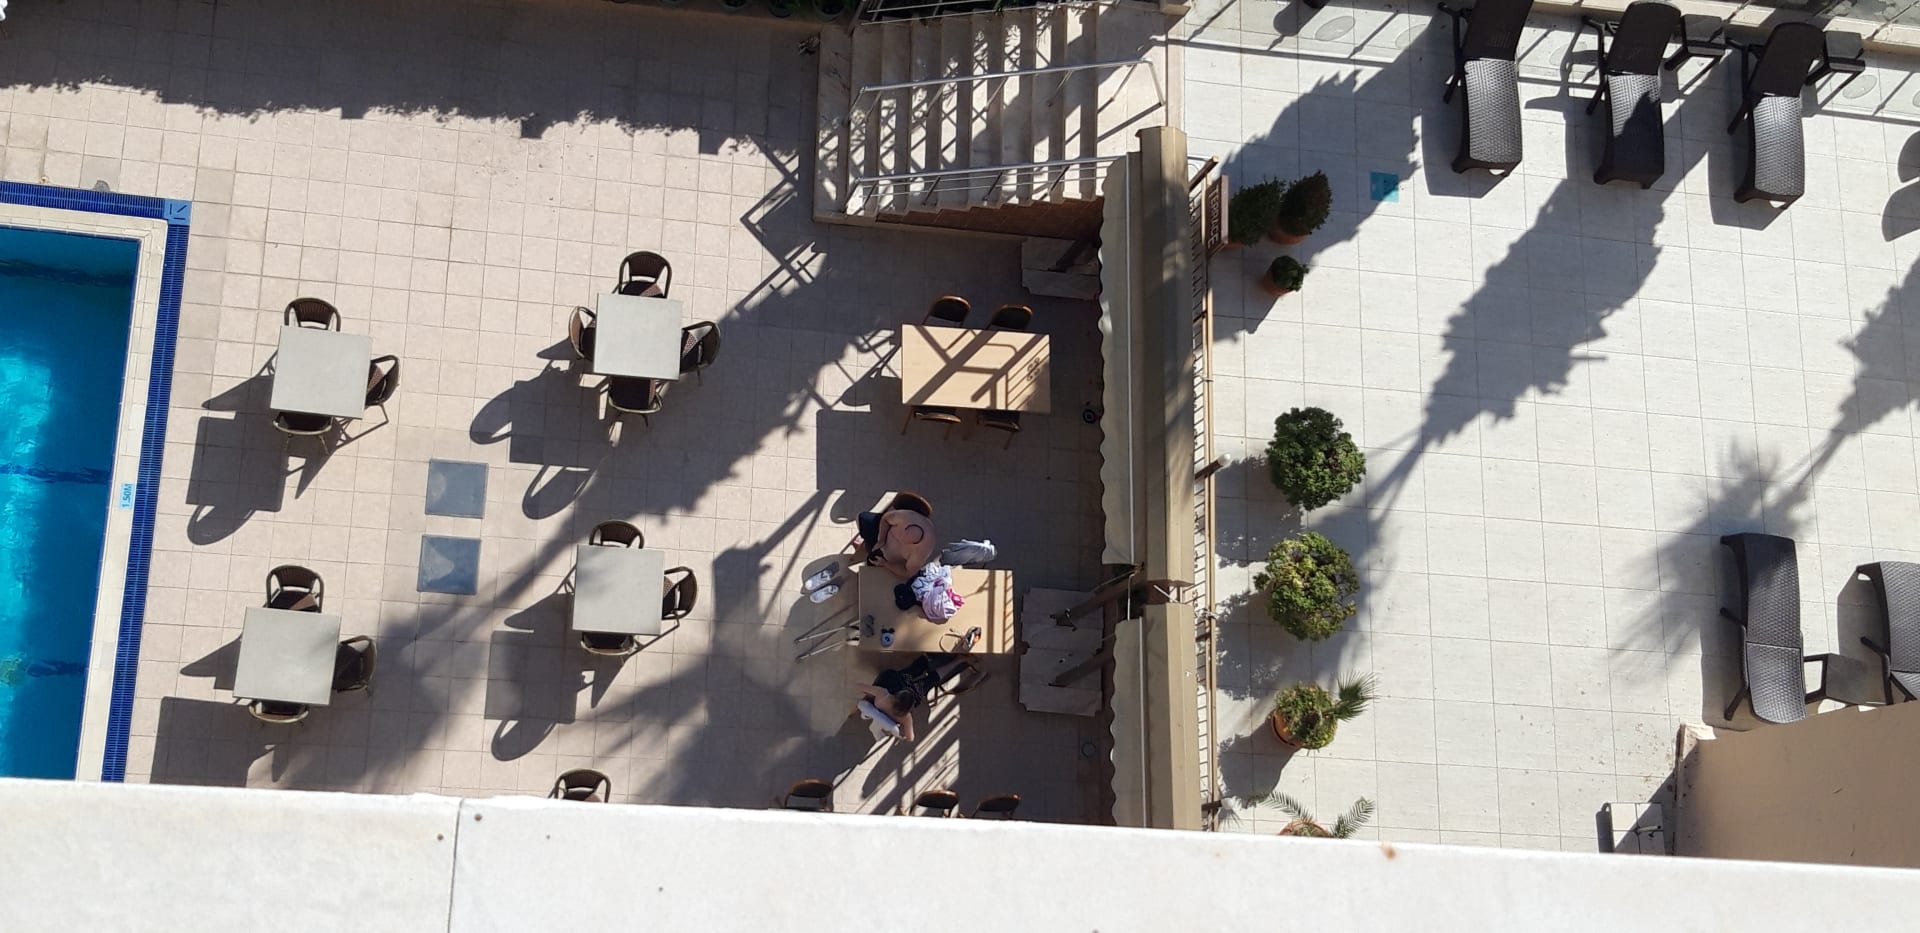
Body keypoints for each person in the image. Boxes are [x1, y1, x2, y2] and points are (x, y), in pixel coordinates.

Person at [852, 653, 980, 743]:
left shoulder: (883, 695)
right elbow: (911, 738)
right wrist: (901, 734)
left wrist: (869, 694)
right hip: (912, 690)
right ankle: (938, 660)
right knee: (921, 674)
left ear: (897, 694)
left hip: (911, 690)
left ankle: (955, 660)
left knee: (924, 677)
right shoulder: (905, 717)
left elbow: (858, 686)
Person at [856, 507, 936, 579]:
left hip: (887, 559)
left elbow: (908, 573)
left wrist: (885, 564)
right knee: (861, 517)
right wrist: (881, 539)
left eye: (904, 542)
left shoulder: (921, 552)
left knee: (870, 566)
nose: (900, 539)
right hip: (883, 535)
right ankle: (865, 545)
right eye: (901, 535)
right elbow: (885, 518)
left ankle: (866, 547)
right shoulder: (907, 517)